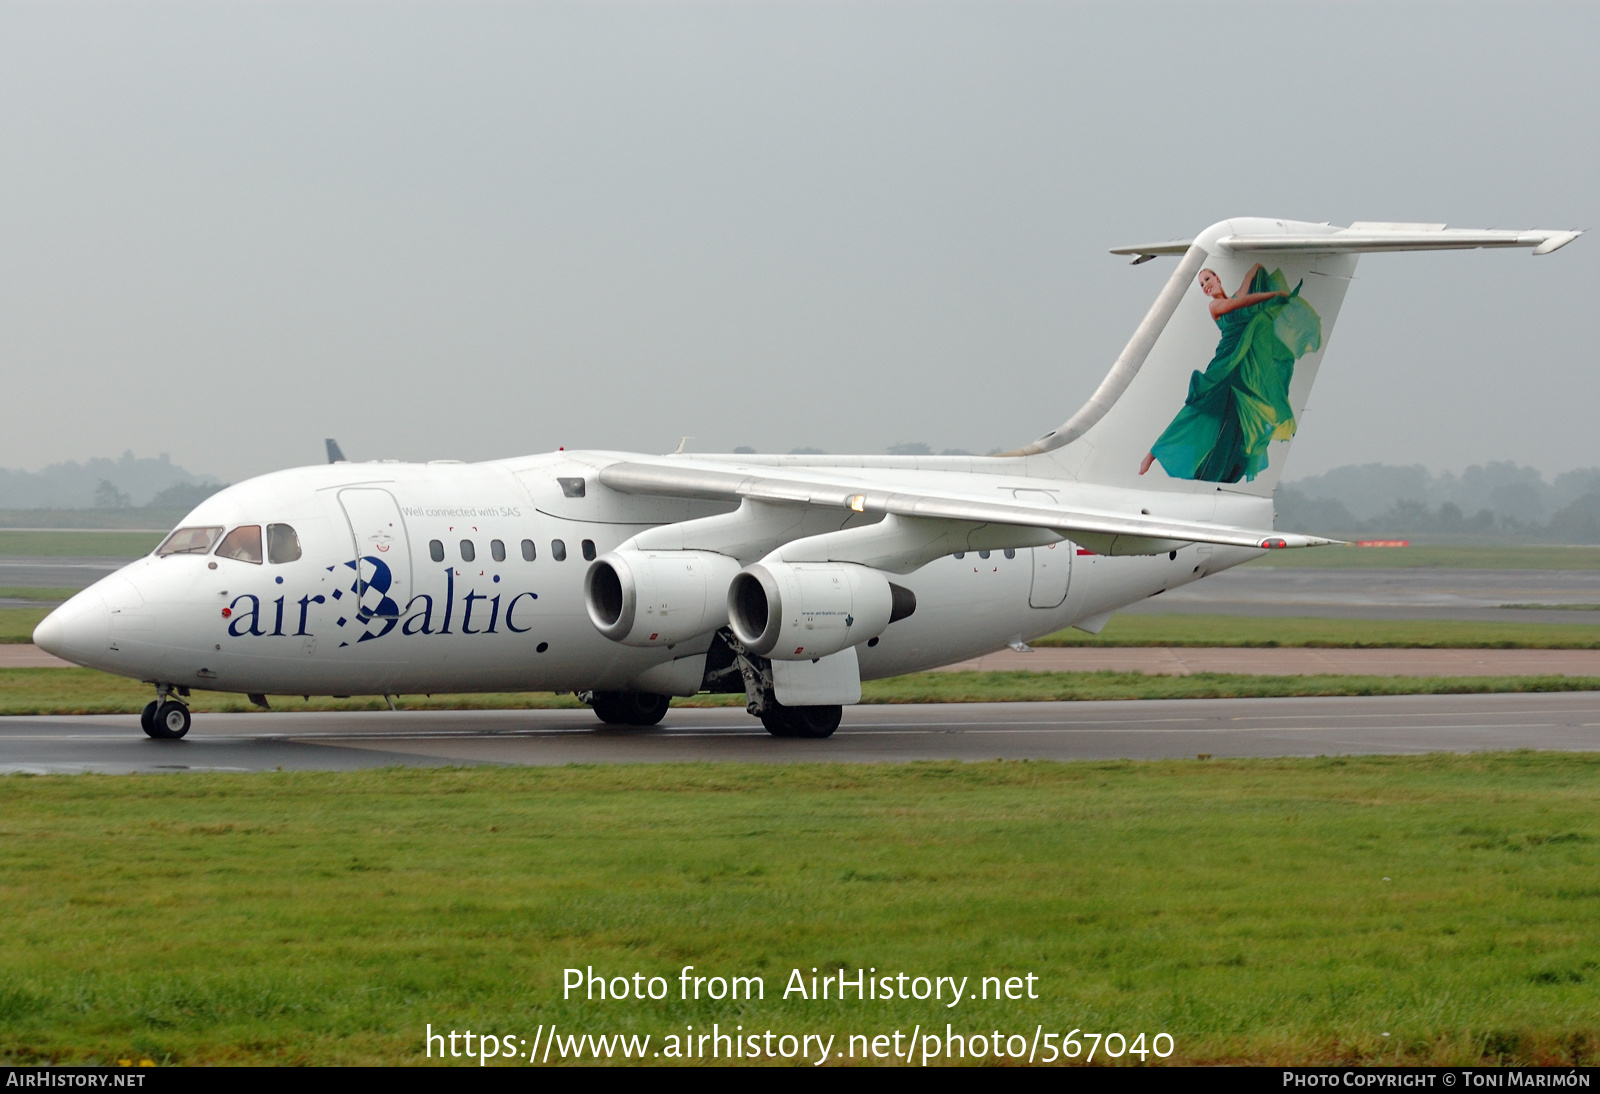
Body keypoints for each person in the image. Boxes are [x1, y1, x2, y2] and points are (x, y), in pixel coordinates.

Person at [1139, 263, 1321, 483]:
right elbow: (1242, 302)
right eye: (1202, 284)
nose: (1205, 285)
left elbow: (1247, 280)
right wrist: (1272, 294)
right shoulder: (1216, 306)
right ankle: (1153, 454)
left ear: (1218, 279)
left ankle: (1223, 472)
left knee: (1237, 420)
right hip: (1224, 366)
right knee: (1198, 408)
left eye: (1207, 279)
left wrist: (1256, 269)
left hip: (1242, 368)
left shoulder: (1232, 296)